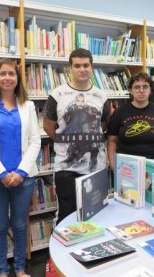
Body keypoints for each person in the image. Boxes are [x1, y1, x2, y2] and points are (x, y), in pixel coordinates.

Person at [0, 58, 41, 277]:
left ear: (17, 78)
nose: (7, 78)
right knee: (0, 227)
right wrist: (2, 174)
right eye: (2, 74)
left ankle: (20, 268)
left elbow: (35, 141)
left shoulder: (28, 105)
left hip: (24, 178)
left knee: (20, 225)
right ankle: (2, 270)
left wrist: (21, 172)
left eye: (11, 74)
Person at [43, 48, 108, 225]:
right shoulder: (57, 95)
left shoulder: (101, 96)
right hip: (66, 167)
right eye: (77, 65)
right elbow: (48, 125)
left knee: (96, 214)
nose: (82, 69)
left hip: (96, 167)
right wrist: (65, 141)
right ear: (70, 69)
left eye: (86, 65)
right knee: (67, 216)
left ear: (91, 67)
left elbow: (104, 124)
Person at [107, 72, 154, 171]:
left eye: (145, 87)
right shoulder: (119, 113)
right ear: (131, 90)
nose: (141, 90)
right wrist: (114, 167)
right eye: (137, 87)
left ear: (150, 90)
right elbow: (112, 141)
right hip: (127, 167)